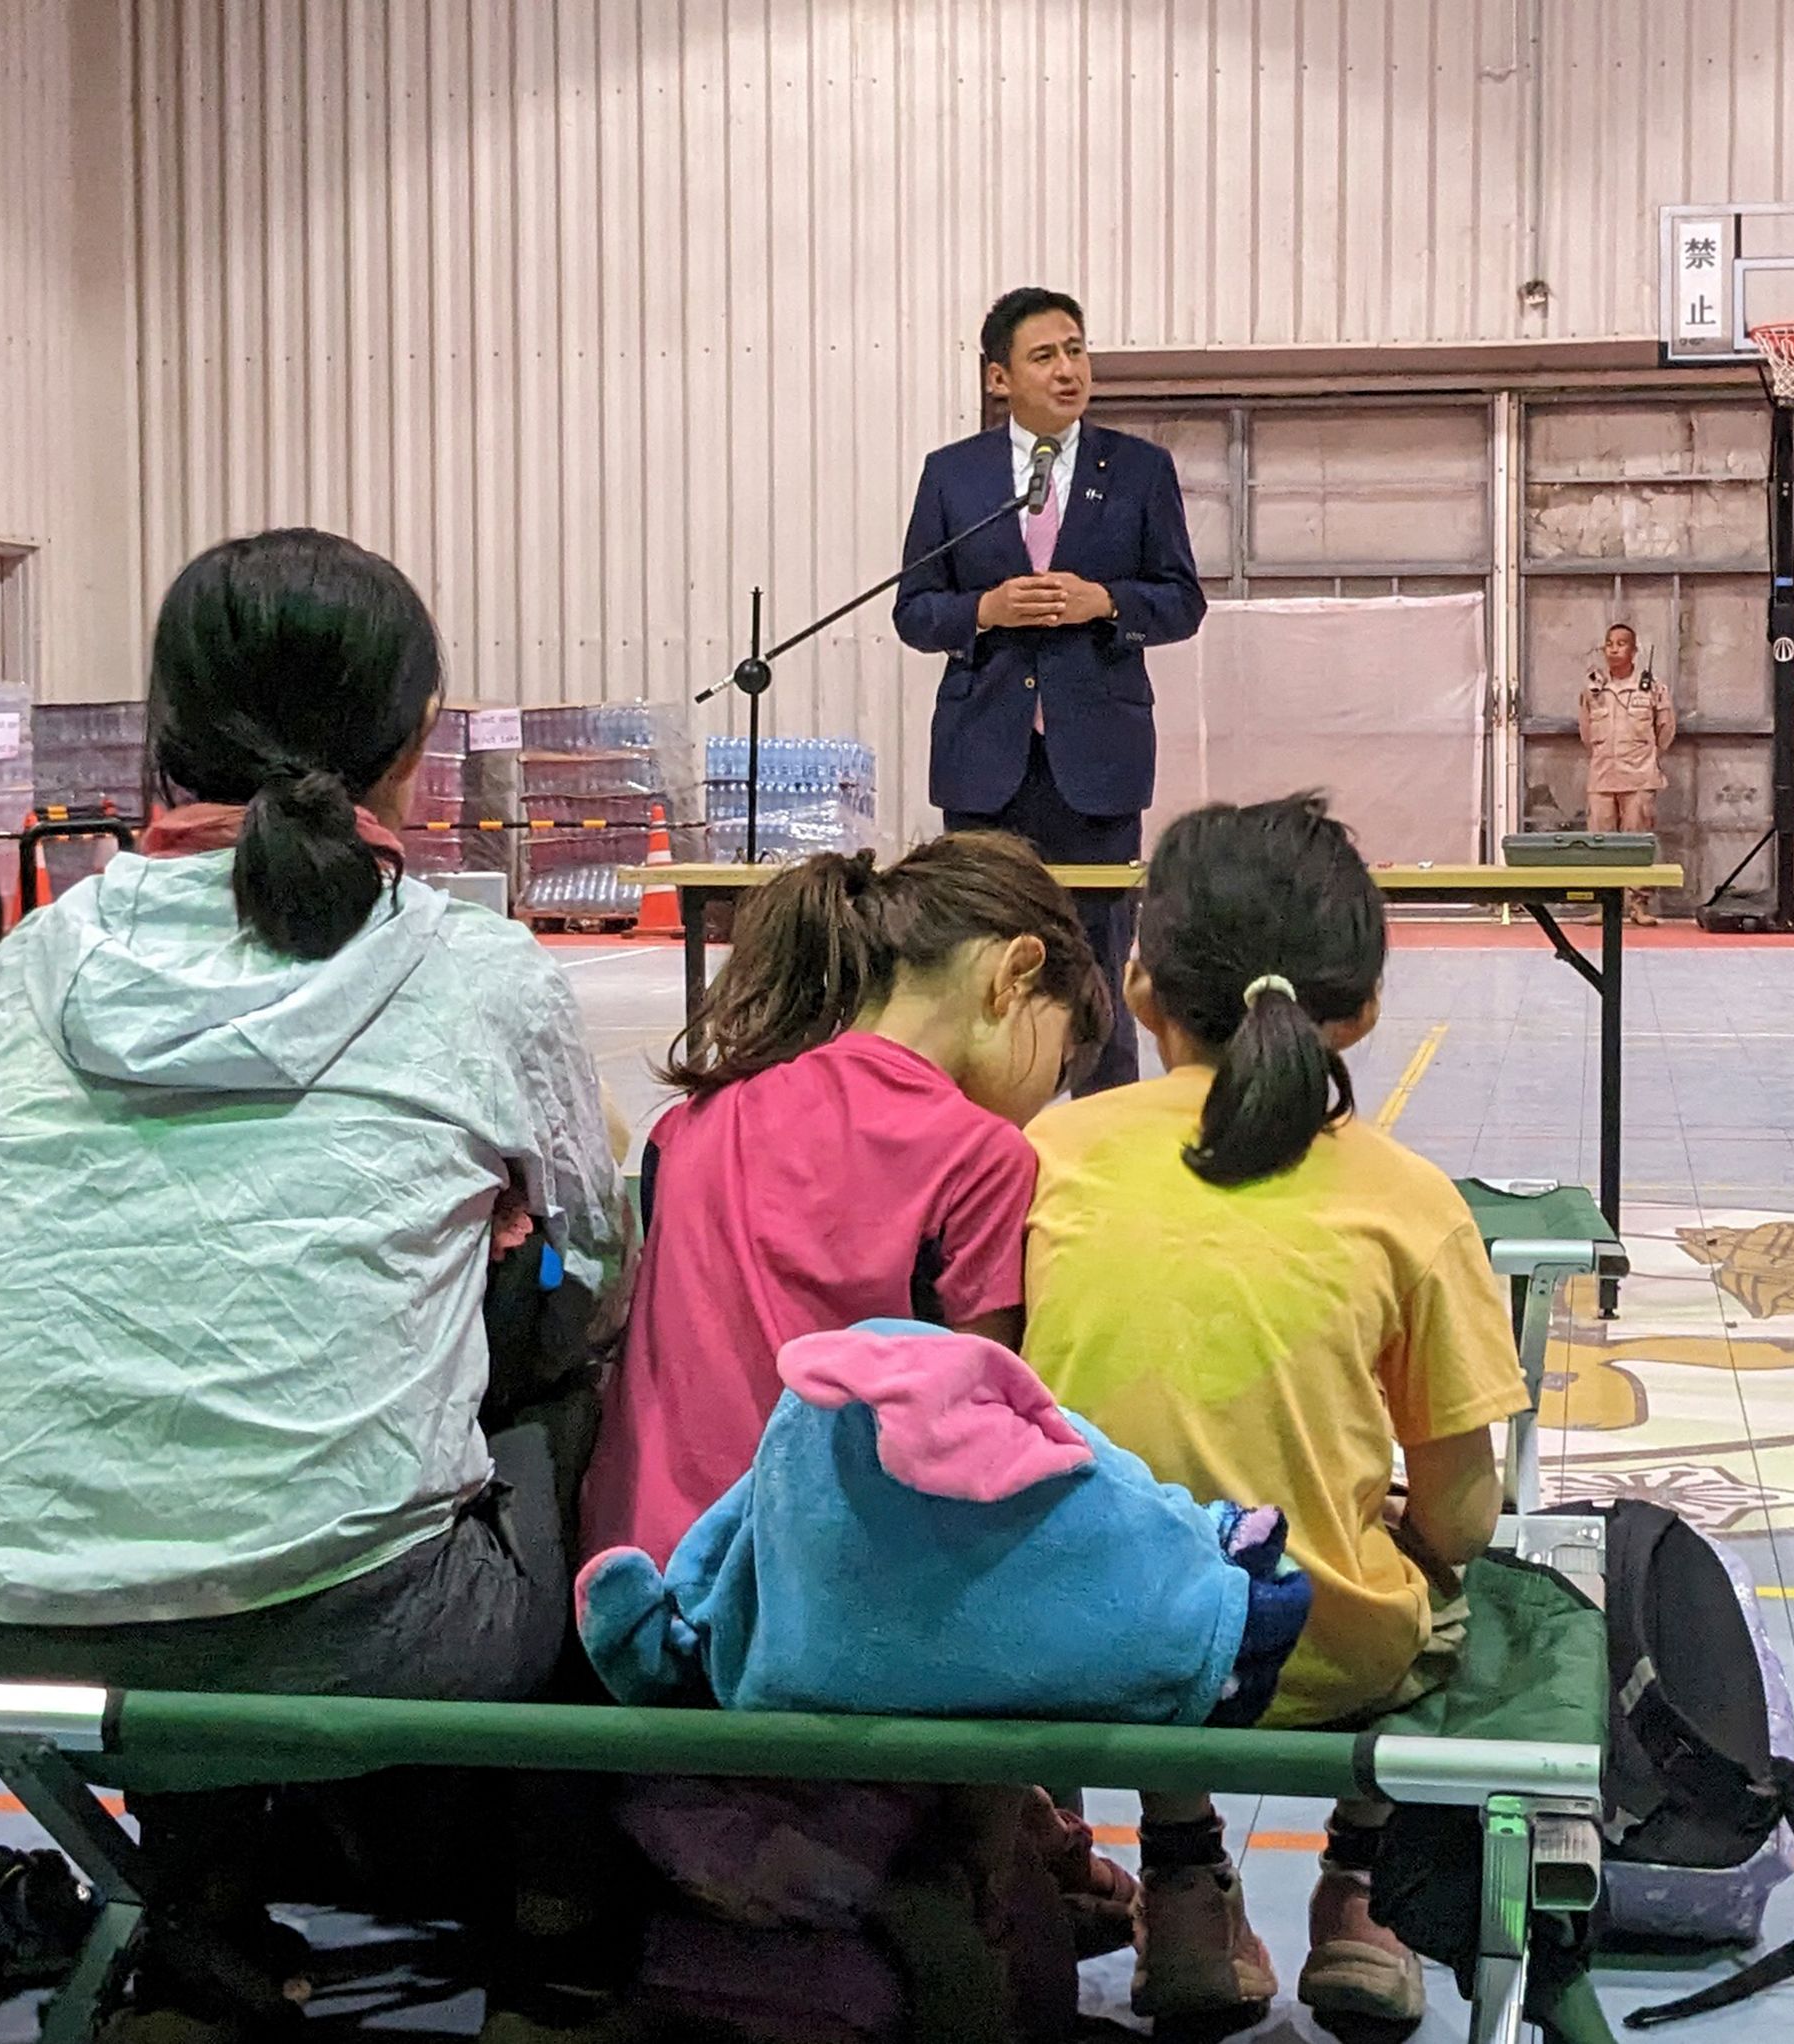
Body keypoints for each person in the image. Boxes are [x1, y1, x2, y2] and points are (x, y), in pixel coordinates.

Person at [0, 528, 627, 2037]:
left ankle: (205, 1924)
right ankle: (561, 1941)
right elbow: (593, 1264)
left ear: (167, 727)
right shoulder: (478, 970)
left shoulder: (30, 963)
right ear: (415, 745)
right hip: (363, 1637)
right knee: (583, 1403)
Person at [1021, 794, 1527, 2034]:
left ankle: (1184, 1878)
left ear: (1139, 983)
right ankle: (1362, 1886)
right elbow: (1461, 1516)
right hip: (1312, 1660)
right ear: (1359, 1006)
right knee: (1434, 1580)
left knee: (1141, 1546)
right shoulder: (1408, 1199)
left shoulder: (1046, 1150)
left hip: (1079, 1649)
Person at [578, 835, 1109, 1566]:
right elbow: (975, 1432)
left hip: (631, 1566)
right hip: (803, 1600)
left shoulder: (691, 1122)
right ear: (1014, 976)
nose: (1047, 1094)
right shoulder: (982, 1155)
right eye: (1061, 1055)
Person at [893, 286, 1206, 1095]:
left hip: (1095, 759)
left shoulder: (1140, 471)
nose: (1068, 370)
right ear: (1001, 378)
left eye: (1076, 350)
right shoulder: (952, 476)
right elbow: (915, 610)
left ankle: (1101, 1142)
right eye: (1045, 356)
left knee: (1095, 965)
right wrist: (984, 610)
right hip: (983, 757)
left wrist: (1106, 602)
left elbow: (1183, 600)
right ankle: (970, 1139)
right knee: (975, 963)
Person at [1581, 622, 1676, 925]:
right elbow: (1585, 730)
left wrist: (1647, 757)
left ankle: (1638, 904)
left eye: (1621, 644)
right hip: (1602, 776)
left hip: (1638, 777)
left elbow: (1665, 730)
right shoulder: (1594, 688)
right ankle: (1604, 904)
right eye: (1609, 643)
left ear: (1634, 651)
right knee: (1599, 843)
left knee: (1637, 842)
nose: (1613, 648)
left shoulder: (1652, 688)